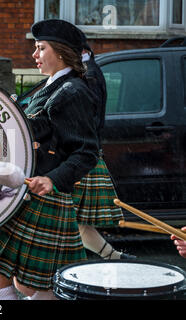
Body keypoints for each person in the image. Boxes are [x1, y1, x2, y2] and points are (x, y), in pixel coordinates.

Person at [0, 19, 99, 300]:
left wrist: (52, 179)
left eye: (40, 48)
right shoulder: (49, 87)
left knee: (35, 285)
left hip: (46, 198)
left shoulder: (72, 92)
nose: (34, 55)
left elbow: (86, 151)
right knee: (2, 275)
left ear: (60, 52)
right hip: (25, 197)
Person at [71, 31, 136, 260]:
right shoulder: (86, 73)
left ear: (83, 52)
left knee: (69, 219)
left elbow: (88, 118)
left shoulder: (87, 76)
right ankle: (114, 258)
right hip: (82, 153)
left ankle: (107, 261)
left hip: (80, 154)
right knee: (75, 221)